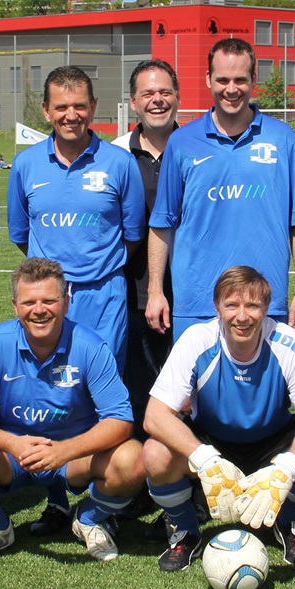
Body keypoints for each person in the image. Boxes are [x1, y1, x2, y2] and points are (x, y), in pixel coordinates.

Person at [6, 65, 145, 534]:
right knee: (47, 393)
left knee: (99, 395)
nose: (71, 115)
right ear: (46, 111)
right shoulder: (26, 164)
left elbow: (131, 235)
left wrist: (92, 271)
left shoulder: (118, 163)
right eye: (61, 107)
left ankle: (99, 503)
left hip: (104, 296)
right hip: (47, 300)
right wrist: (53, 284)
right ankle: (54, 500)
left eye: (79, 106)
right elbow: (22, 235)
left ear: (94, 108)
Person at [0, 258, 145, 564]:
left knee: (133, 460)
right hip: (12, 454)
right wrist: (12, 443)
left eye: (49, 300)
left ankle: (88, 519)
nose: (39, 310)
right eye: (29, 302)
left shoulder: (91, 346)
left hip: (73, 456)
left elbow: (120, 419)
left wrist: (64, 450)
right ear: (15, 306)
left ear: (66, 302)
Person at [142, 266, 295, 571]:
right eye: (232, 305)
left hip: (272, 439)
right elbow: (154, 416)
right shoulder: (198, 339)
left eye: (252, 306)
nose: (242, 316)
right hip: (212, 440)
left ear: (267, 309)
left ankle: (287, 522)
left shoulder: (286, 342)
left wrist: (285, 469)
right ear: (217, 308)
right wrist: (205, 459)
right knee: (155, 454)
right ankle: (186, 530)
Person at [147, 38, 295, 341]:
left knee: (261, 375)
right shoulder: (182, 142)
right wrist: (156, 291)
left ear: (253, 79)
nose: (231, 89)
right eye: (223, 80)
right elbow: (162, 223)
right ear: (208, 79)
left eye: (240, 79)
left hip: (264, 300)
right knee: (196, 375)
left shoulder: (282, 139)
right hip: (196, 302)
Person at [109, 59, 180, 444]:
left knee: (189, 388)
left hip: (193, 290)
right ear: (133, 102)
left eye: (165, 92)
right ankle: (140, 469)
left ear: (177, 97)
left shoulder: (195, 147)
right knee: (138, 387)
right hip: (133, 291)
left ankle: (191, 468)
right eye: (148, 93)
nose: (157, 100)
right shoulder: (115, 155)